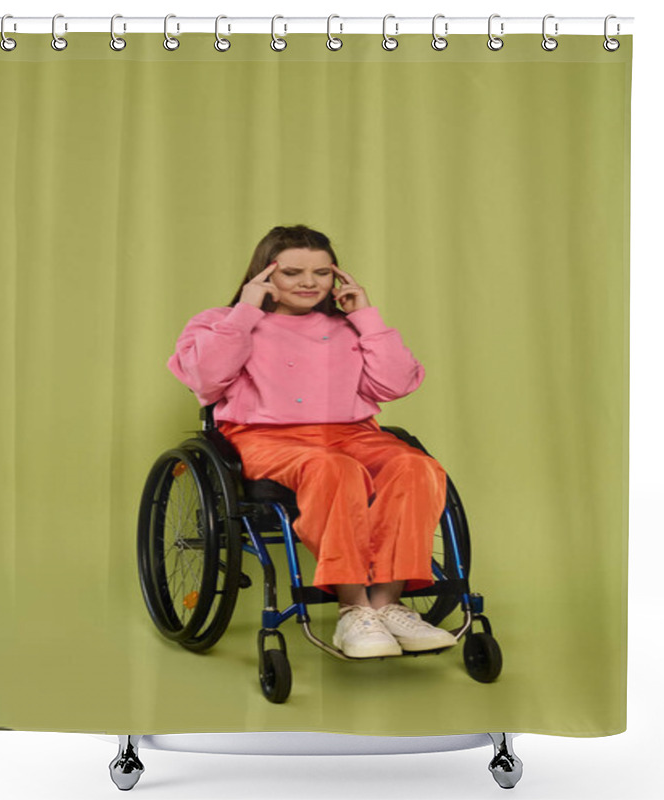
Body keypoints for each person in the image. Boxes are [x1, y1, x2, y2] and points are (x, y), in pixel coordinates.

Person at [167, 224, 457, 659]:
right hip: (265, 437)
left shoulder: (347, 327)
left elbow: (397, 384)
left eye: (321, 273)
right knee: (332, 469)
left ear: (336, 277)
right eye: (293, 272)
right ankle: (353, 610)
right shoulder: (221, 322)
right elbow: (205, 380)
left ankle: (386, 605)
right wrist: (244, 312)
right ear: (265, 276)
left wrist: (366, 316)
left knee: (417, 466)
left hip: (351, 433)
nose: (309, 282)